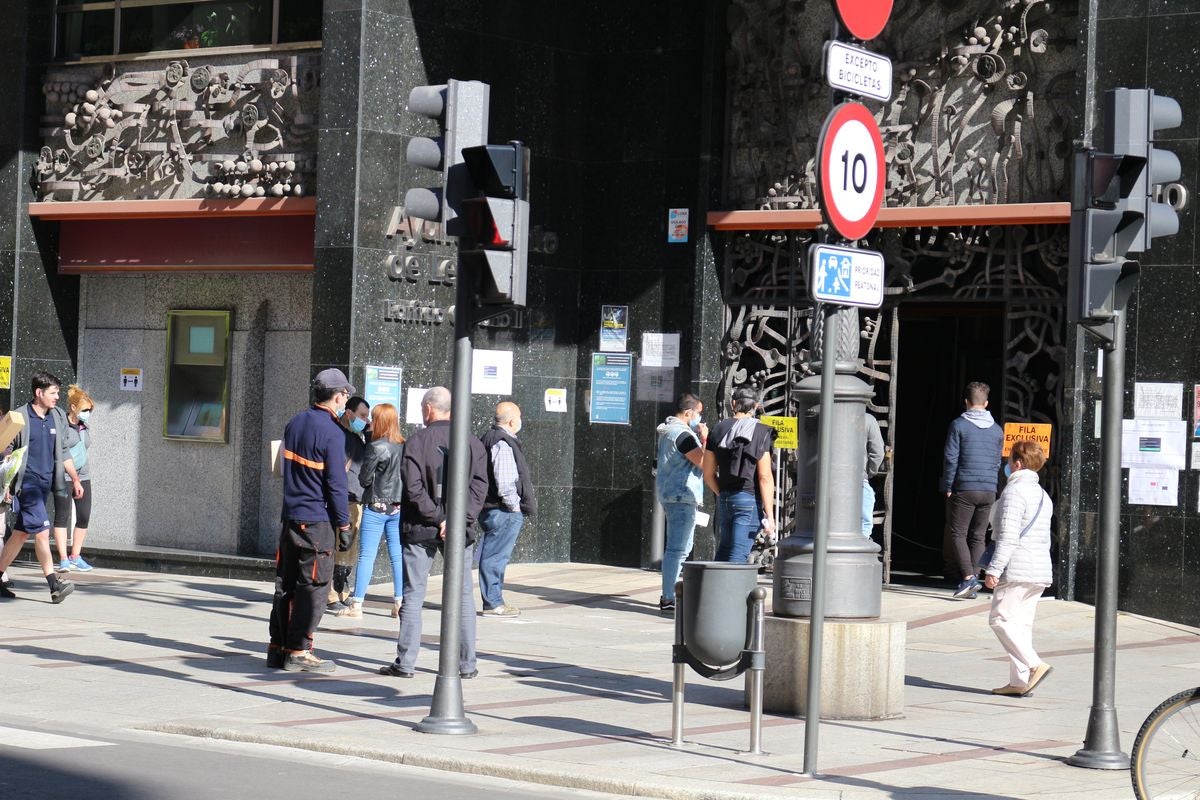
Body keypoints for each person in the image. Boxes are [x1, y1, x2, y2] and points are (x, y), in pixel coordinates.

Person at [378, 386, 488, 679]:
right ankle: (467, 665)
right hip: (457, 529)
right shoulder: (472, 442)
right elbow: (479, 488)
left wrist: (439, 517)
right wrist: (456, 519)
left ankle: (405, 663)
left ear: (428, 409)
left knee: (413, 594)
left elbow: (412, 489)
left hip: (419, 528)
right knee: (463, 596)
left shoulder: (416, 442)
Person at [267, 368, 354, 673]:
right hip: (316, 521)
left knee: (286, 584)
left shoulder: (295, 423)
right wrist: (344, 526)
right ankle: (299, 650)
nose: (346, 401)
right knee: (313, 586)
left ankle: (278, 647)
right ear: (338, 395)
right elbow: (335, 484)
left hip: (290, 517)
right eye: (345, 395)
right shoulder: (332, 432)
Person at [0, 371, 85, 603]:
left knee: (19, 535)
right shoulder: (19, 417)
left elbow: (65, 451)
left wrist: (75, 479)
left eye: (58, 392)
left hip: (47, 485)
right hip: (27, 485)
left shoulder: (57, 416)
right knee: (42, 531)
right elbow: (2, 446)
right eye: (53, 392)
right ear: (39, 393)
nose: (58, 397)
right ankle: (54, 584)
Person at [982, 440, 1053, 696]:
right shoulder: (1043, 496)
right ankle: (1019, 682)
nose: (1007, 466)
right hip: (1039, 571)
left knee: (1000, 619)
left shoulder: (1014, 493)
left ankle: (1034, 665)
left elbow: (1008, 536)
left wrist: (994, 568)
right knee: (1020, 626)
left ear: (1018, 464)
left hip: (1017, 569)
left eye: (1009, 461)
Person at [941, 381, 1004, 600]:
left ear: (966, 402)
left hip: (965, 487)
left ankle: (968, 577)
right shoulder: (997, 430)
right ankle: (975, 577)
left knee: (957, 532)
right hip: (988, 489)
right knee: (978, 536)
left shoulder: (959, 425)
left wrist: (948, 485)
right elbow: (997, 462)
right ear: (986, 403)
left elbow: (951, 458)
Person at [344, 402, 405, 618]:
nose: (369, 421)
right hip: (397, 508)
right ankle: (399, 602)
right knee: (397, 556)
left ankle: (357, 604)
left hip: (375, 506)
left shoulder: (375, 447)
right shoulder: (403, 445)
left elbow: (364, 478)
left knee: (367, 556)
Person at [477, 400, 537, 618]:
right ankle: (493, 603)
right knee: (495, 557)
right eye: (519, 416)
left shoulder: (492, 438)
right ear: (512, 420)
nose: (521, 421)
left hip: (495, 508)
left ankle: (494, 600)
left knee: (495, 556)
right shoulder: (502, 442)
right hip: (502, 510)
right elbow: (505, 482)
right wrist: (514, 507)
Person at [703, 387, 776, 564]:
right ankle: (731, 592)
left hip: (726, 498)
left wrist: (722, 494)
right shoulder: (761, 432)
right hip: (748, 499)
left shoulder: (718, 429)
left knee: (725, 549)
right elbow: (764, 477)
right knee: (738, 554)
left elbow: (708, 473)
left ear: (733, 403)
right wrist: (770, 515)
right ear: (756, 406)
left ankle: (715, 591)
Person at [654, 393, 707, 613]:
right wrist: (705, 438)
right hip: (682, 495)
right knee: (678, 549)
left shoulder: (668, 431)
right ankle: (669, 597)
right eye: (699, 413)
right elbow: (703, 460)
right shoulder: (682, 435)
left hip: (672, 494)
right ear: (688, 412)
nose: (700, 418)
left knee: (679, 548)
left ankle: (669, 595)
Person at [329, 395, 369, 614]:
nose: (366, 420)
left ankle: (341, 589)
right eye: (362, 415)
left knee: (350, 550)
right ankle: (331, 592)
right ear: (349, 412)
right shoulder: (338, 435)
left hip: (356, 498)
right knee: (339, 546)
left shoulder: (357, 436)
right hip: (343, 498)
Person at [52, 385, 96, 573]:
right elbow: (60, 453)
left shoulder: (84, 427)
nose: (88, 413)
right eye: (85, 409)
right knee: (62, 516)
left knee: (84, 516)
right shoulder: (63, 427)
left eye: (89, 410)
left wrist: (79, 477)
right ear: (72, 407)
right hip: (64, 476)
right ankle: (63, 559)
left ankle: (75, 556)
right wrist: (73, 477)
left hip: (83, 475)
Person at [862, 411, 884, 537]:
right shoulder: (868, 419)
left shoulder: (822, 412)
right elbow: (878, 453)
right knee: (864, 524)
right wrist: (868, 472)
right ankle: (858, 555)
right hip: (858, 480)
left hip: (826, 481)